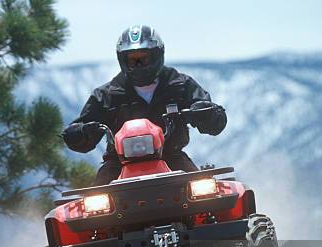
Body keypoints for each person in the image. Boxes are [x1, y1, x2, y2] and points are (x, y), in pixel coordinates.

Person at [61, 25, 227, 185]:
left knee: (207, 200)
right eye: (133, 60)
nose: (139, 65)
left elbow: (215, 122)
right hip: (117, 166)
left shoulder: (181, 85)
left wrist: (207, 113)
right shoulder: (106, 95)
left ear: (157, 55)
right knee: (93, 210)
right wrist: (80, 132)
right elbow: (80, 131)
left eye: (144, 58)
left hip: (172, 158)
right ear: (122, 60)